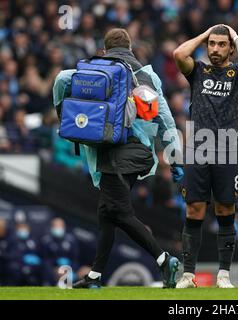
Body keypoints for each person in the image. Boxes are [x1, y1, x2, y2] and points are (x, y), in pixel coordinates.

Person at [53, 28, 184, 289]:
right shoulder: (146, 74)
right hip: (138, 153)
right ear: (131, 48)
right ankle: (95, 276)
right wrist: (176, 159)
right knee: (107, 213)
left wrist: (62, 113)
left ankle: (164, 259)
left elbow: (61, 78)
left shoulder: (89, 69)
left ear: (104, 50)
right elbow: (166, 121)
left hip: (111, 154)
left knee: (118, 212)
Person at [173, 24, 238, 288]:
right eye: (212, 44)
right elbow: (178, 54)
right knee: (194, 209)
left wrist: (235, 34)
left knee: (225, 209)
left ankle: (224, 275)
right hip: (197, 150)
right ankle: (188, 275)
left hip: (228, 150)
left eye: (221, 44)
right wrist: (204, 34)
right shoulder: (197, 71)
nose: (215, 49)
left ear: (230, 47)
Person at [40, 218, 79, 286]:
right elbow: (45, 258)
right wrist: (55, 268)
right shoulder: (46, 241)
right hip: (53, 268)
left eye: (60, 226)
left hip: (68, 268)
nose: (58, 228)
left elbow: (75, 258)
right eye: (56, 226)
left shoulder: (71, 240)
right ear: (51, 227)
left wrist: (70, 269)